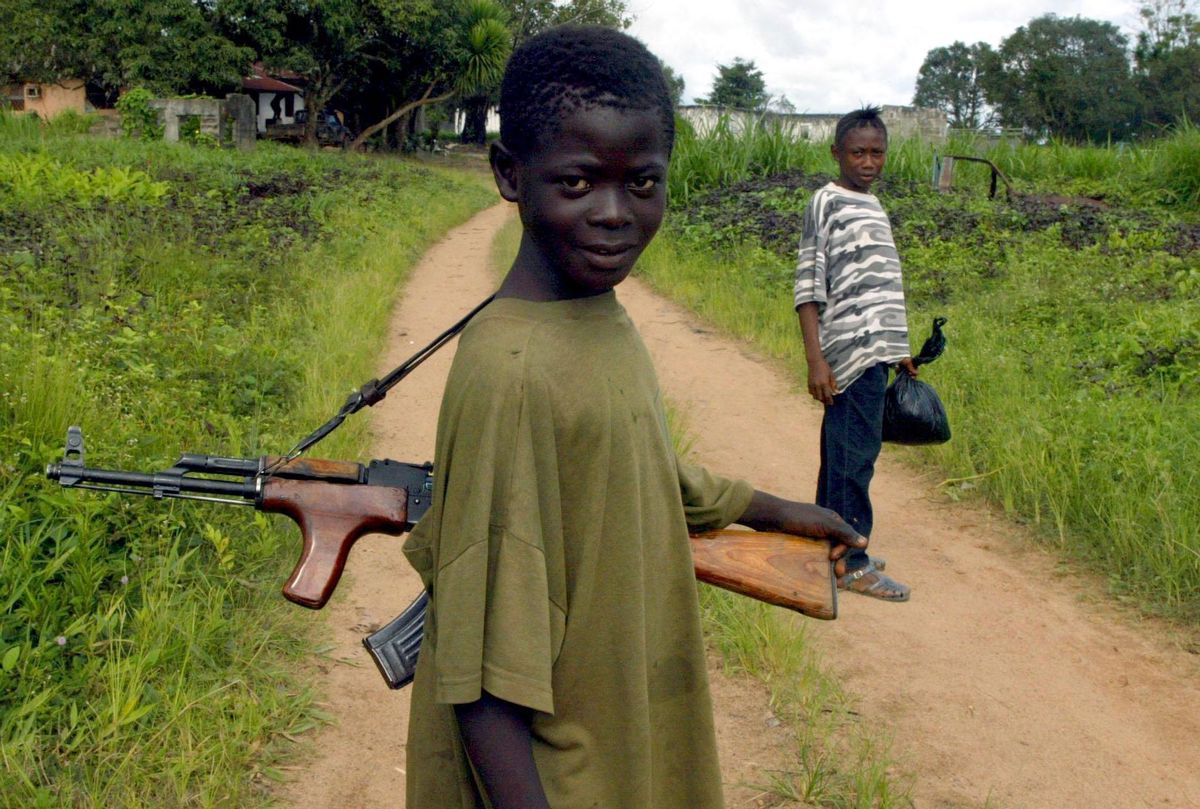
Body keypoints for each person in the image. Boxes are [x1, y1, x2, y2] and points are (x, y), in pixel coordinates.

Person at [401, 25, 867, 809]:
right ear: (511, 175)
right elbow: (480, 683)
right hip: (560, 774)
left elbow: (641, 465)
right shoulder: (512, 374)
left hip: (623, 743)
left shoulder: (598, 315)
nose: (616, 214)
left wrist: (778, 509)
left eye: (643, 184)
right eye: (580, 183)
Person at [793, 106, 918, 603]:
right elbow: (809, 285)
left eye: (877, 152)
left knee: (845, 456)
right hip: (847, 355)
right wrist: (815, 359)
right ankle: (851, 565)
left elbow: (878, 286)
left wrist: (899, 350)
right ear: (837, 153)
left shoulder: (872, 203)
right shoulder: (827, 202)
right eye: (857, 152)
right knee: (852, 462)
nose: (868, 161)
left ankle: (829, 545)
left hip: (877, 354)